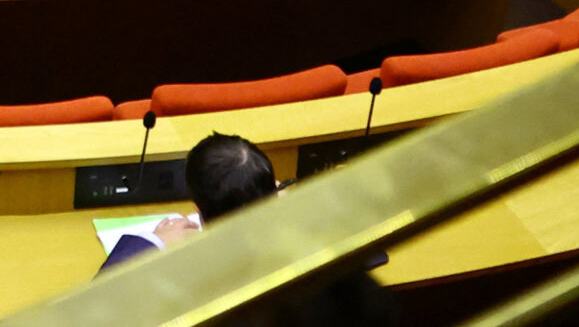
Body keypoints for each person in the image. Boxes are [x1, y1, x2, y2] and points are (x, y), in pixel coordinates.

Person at [98, 133, 397, 324]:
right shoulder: (333, 270)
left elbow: (99, 310)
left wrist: (152, 243)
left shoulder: (192, 284)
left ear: (200, 211)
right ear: (274, 190)